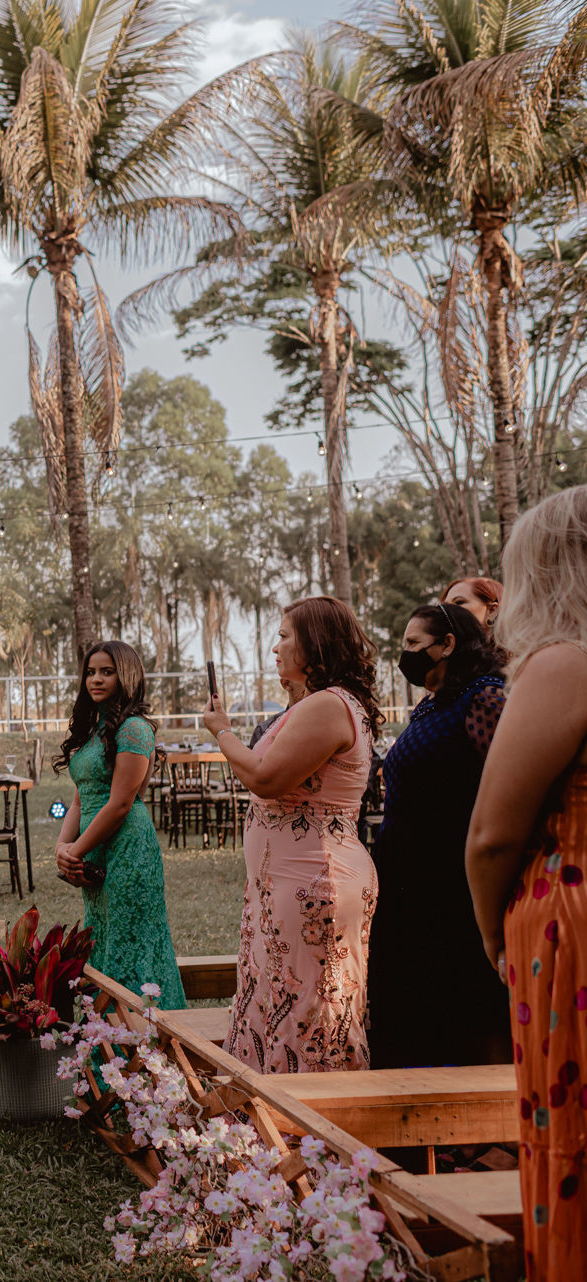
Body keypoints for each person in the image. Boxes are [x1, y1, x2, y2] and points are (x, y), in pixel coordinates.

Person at [466, 487, 587, 1279]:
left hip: (569, 913)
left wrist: (487, 930)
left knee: (570, 1124)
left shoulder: (564, 662)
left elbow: (491, 834)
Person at [205, 596, 380, 1074]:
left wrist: (221, 733)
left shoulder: (328, 705)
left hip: (313, 882)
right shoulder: (312, 704)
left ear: (316, 641)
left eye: (285, 635)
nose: (275, 646)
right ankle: (274, 1127)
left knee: (311, 1011)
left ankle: (313, 1132)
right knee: (278, 1001)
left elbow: (265, 778)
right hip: (285, 881)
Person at [367, 603, 510, 1069]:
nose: (406, 655)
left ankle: (482, 1129)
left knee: (465, 992)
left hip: (452, 873)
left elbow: (507, 783)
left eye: (414, 644)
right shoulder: (432, 703)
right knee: (420, 989)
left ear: (447, 644)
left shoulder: (484, 698)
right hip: (409, 870)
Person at [53, 641, 186, 1009]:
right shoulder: (94, 730)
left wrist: (75, 851)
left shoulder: (134, 729)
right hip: (93, 847)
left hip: (127, 847)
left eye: (106, 672)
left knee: (131, 941)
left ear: (125, 675)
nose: (96, 679)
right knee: (104, 940)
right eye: (91, 672)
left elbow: (120, 803)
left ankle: (146, 1043)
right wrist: (62, 848)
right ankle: (105, 1046)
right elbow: (81, 796)